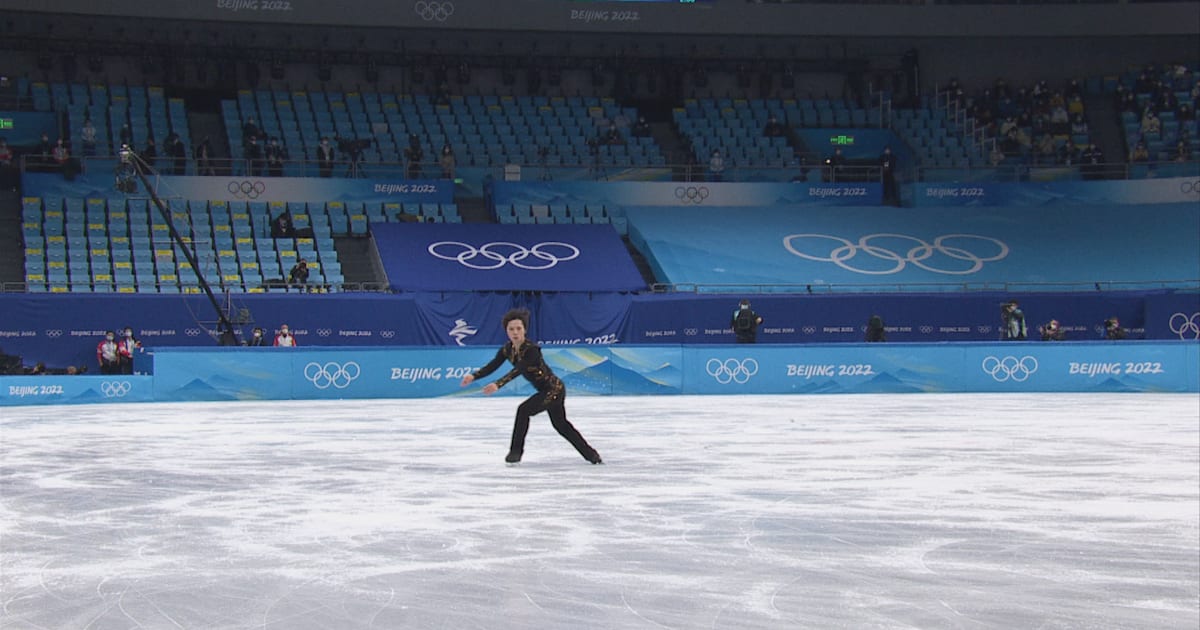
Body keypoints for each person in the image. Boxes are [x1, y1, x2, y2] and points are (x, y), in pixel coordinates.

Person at [459, 308, 602, 465]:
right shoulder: (507, 349)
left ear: (525, 330)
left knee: (524, 411)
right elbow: (493, 365)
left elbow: (519, 369)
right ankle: (592, 455)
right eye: (511, 329)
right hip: (547, 391)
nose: (515, 332)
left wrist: (498, 384)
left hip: (554, 389)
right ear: (506, 331)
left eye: (519, 328)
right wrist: (474, 376)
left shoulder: (532, 350)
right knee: (561, 425)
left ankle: (515, 452)